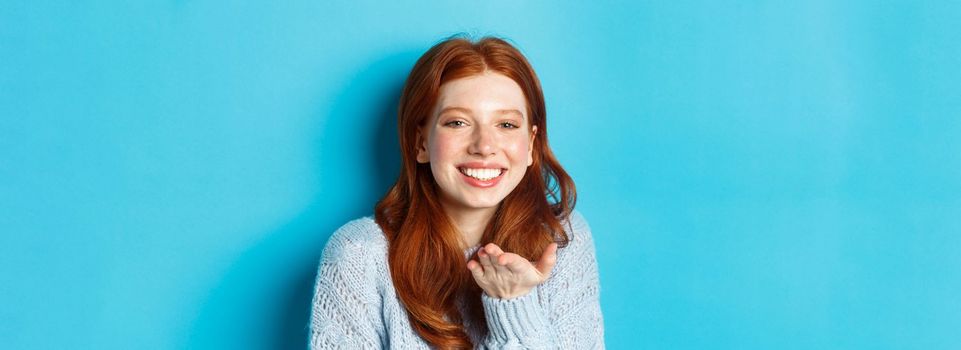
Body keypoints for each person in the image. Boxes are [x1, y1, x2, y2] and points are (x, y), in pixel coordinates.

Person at [309, 35, 604, 349]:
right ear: (421, 142)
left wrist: (513, 304)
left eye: (506, 125)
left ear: (531, 144)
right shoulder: (359, 255)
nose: (484, 146)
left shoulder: (561, 240)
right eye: (458, 122)